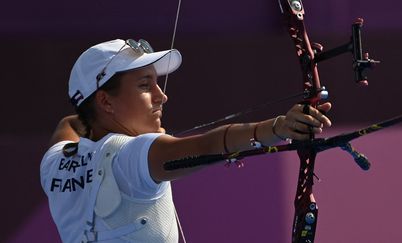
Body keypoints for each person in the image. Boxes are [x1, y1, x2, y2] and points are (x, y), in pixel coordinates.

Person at [40, 39, 332, 243]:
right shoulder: (130, 154)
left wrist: (96, 119)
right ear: (105, 100)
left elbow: (69, 123)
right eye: (145, 86)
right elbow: (209, 144)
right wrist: (279, 127)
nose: (161, 95)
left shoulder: (55, 161)